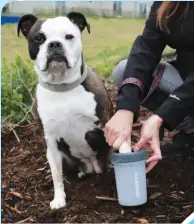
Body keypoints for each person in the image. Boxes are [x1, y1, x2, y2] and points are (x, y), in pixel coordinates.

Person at [104, 1, 194, 172]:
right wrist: (126, 108)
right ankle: (191, 133)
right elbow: (146, 49)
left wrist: (161, 116)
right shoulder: (170, 5)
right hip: (185, 78)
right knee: (124, 71)